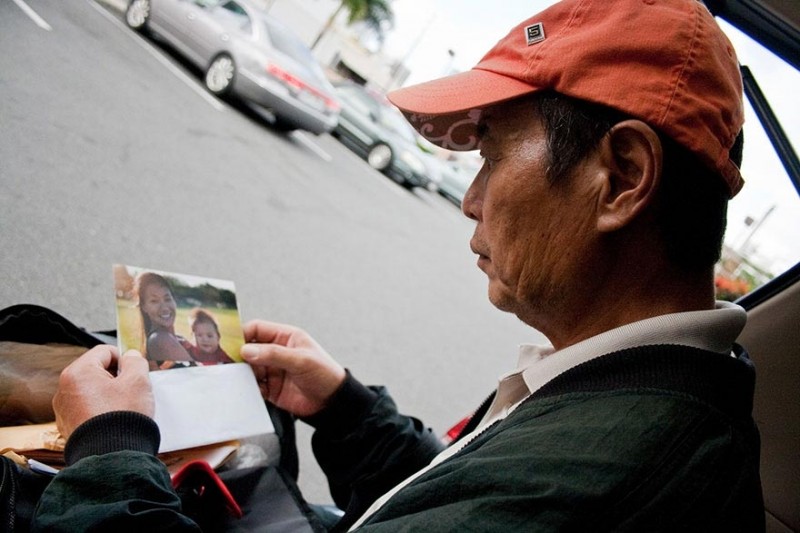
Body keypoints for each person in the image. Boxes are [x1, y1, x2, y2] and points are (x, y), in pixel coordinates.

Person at [32, 0, 765, 531]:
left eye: (491, 155)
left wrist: (108, 451)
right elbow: (454, 494)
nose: (470, 200)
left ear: (623, 175)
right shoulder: (638, 402)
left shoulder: (609, 474)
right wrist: (346, 409)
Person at [135, 271, 195, 370]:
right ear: (144, 307)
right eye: (154, 301)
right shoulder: (160, 339)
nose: (164, 308)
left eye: (167, 299)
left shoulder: (176, 338)